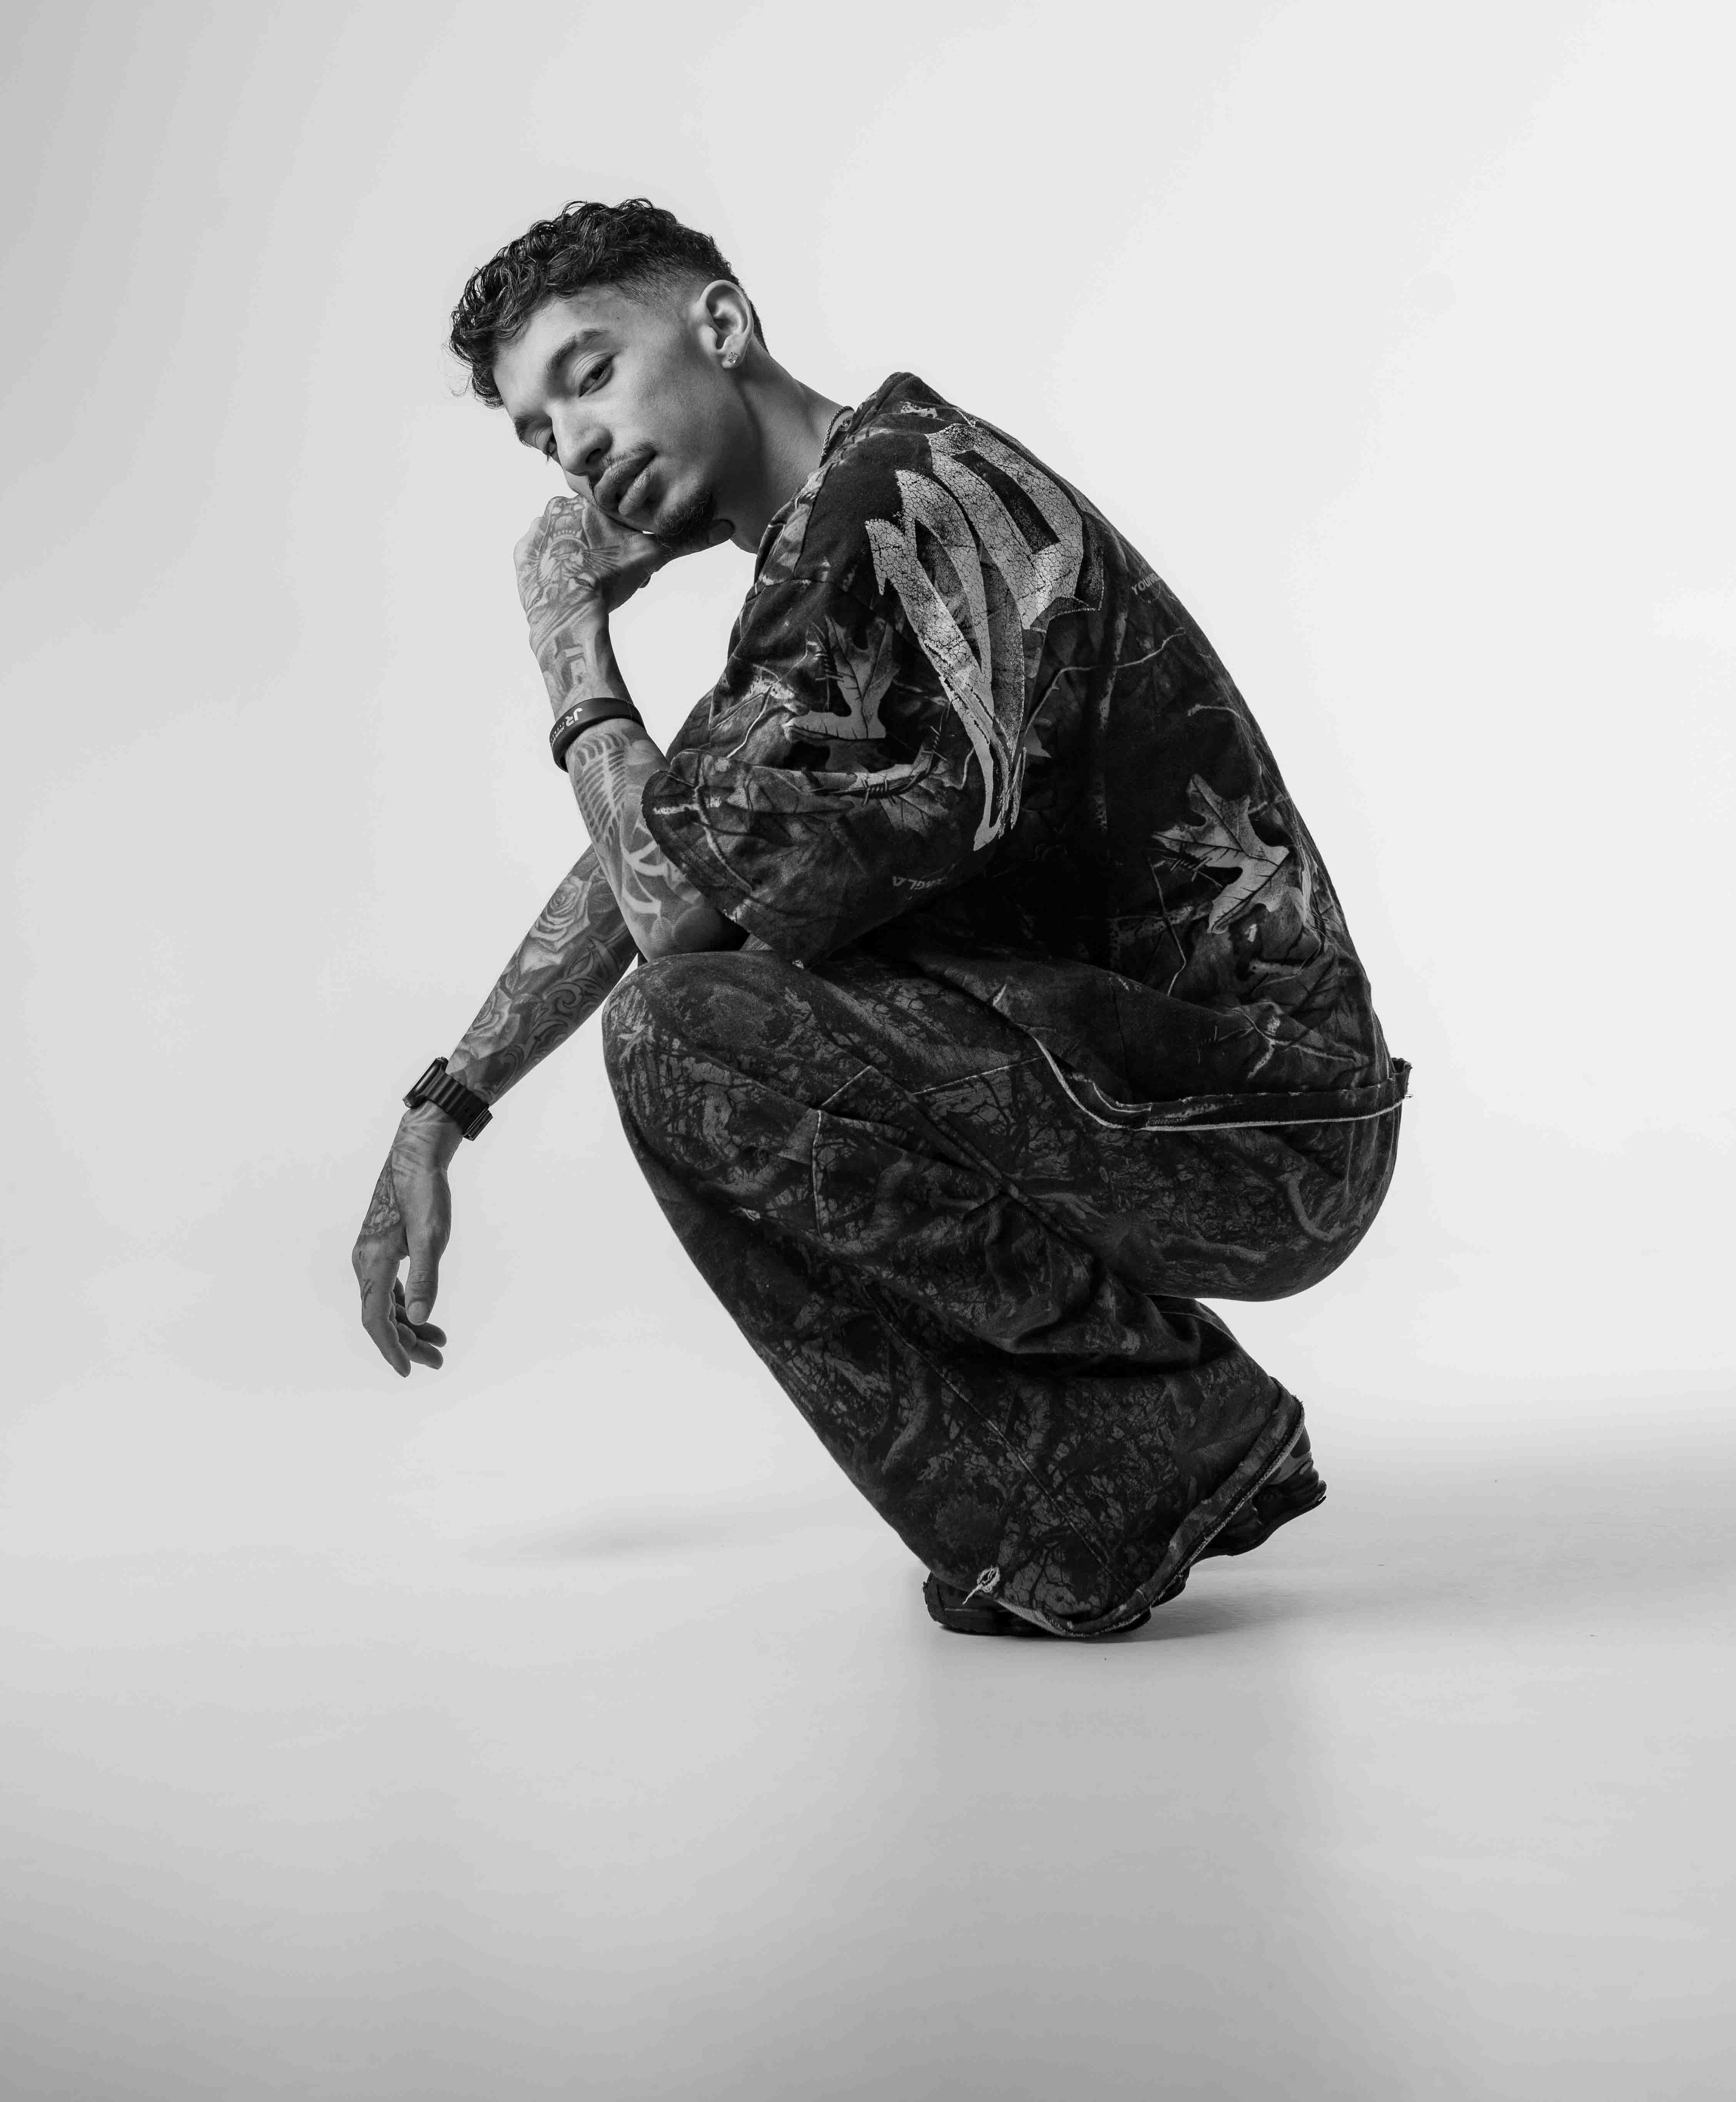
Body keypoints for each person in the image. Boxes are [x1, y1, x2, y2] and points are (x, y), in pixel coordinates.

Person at [349, 198, 1407, 1640]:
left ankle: (1162, 1444)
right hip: (1220, 1101)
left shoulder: (881, 517)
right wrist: (445, 1106)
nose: (576, 449)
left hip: (1250, 1122)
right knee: (710, 1000)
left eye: (591, 375)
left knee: (687, 1034)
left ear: (721, 328)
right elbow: (670, 847)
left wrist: (571, 647)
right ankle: (1107, 1497)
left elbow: (672, 924)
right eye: (541, 437)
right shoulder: (845, 532)